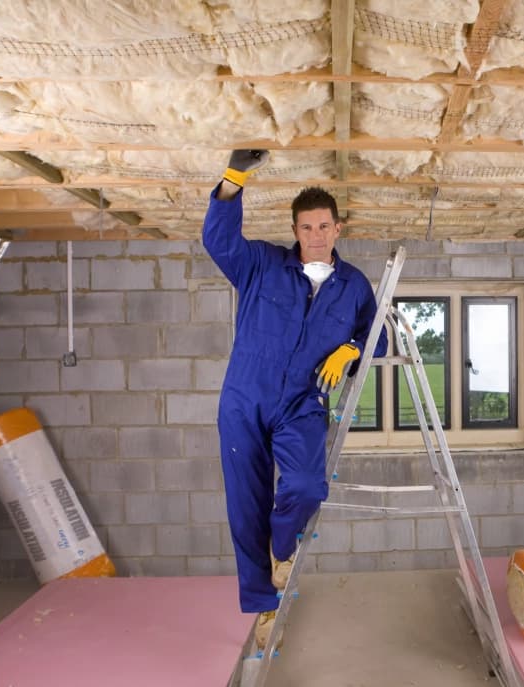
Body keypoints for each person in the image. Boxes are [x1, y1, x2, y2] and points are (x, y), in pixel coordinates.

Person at [201, 149, 387, 649]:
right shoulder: (261, 264)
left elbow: (378, 338)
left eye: (325, 226)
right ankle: (264, 611)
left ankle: (281, 554)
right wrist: (233, 179)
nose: (316, 236)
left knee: (305, 485)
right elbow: (217, 239)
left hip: (303, 402)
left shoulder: (353, 286)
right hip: (244, 398)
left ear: (338, 229)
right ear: (296, 230)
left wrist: (350, 347)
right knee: (246, 505)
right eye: (307, 228)